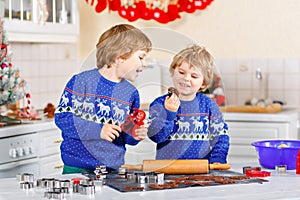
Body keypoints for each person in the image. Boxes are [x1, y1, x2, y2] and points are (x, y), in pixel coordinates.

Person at [54, 24, 152, 174]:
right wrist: (98, 130)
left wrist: (135, 134)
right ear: (120, 55)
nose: (144, 64)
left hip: (112, 170)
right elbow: (63, 119)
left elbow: (125, 135)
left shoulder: (131, 93)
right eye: (141, 57)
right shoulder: (82, 82)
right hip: (77, 168)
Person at [147, 45, 230, 164]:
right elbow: (156, 137)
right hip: (167, 172)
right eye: (181, 72)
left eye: (194, 76)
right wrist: (169, 114)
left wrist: (218, 159)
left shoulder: (209, 106)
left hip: (200, 173)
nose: (186, 78)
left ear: (203, 83)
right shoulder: (160, 104)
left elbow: (221, 137)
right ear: (173, 71)